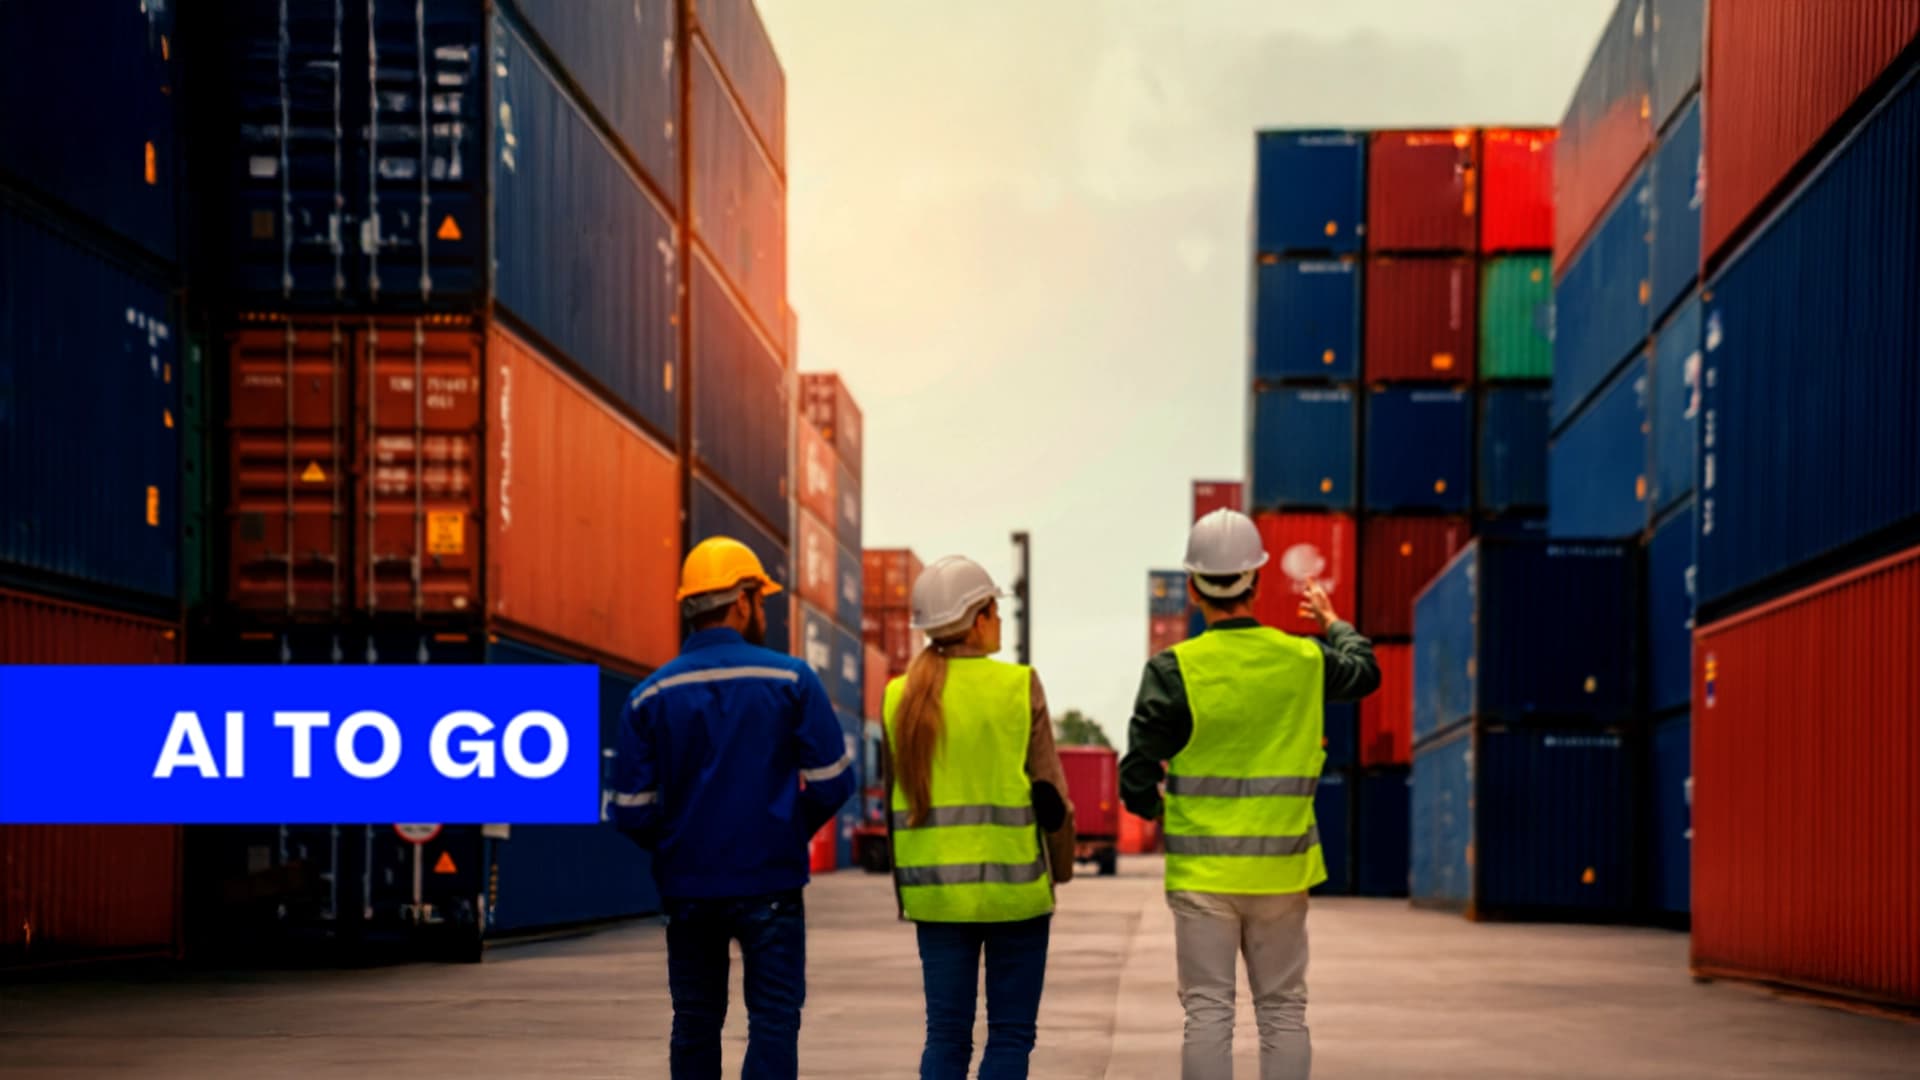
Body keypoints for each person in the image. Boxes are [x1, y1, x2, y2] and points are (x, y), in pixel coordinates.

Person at [1120, 509, 1380, 1080]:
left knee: (1208, 1014)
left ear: (1192, 587)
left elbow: (1136, 775)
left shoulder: (1172, 669)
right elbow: (1366, 671)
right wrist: (1333, 623)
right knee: (1283, 1011)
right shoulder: (1304, 659)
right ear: (1257, 582)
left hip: (1203, 876)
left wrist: (1158, 810)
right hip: (1281, 873)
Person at [611, 536, 857, 1080]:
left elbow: (629, 809)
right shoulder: (791, 679)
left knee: (695, 1020)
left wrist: (682, 841)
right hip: (770, 883)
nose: (761, 609)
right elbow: (835, 782)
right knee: (772, 1019)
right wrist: (784, 831)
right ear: (742, 600)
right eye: (759, 599)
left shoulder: (649, 696)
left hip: (688, 888)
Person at [884, 555, 1077, 1080]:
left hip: (936, 895)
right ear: (979, 615)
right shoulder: (1018, 686)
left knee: (945, 1036)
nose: (998, 619)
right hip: (1015, 892)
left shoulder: (899, 695)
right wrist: (1060, 870)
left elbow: (892, 801)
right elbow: (1051, 799)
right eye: (994, 609)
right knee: (1010, 1036)